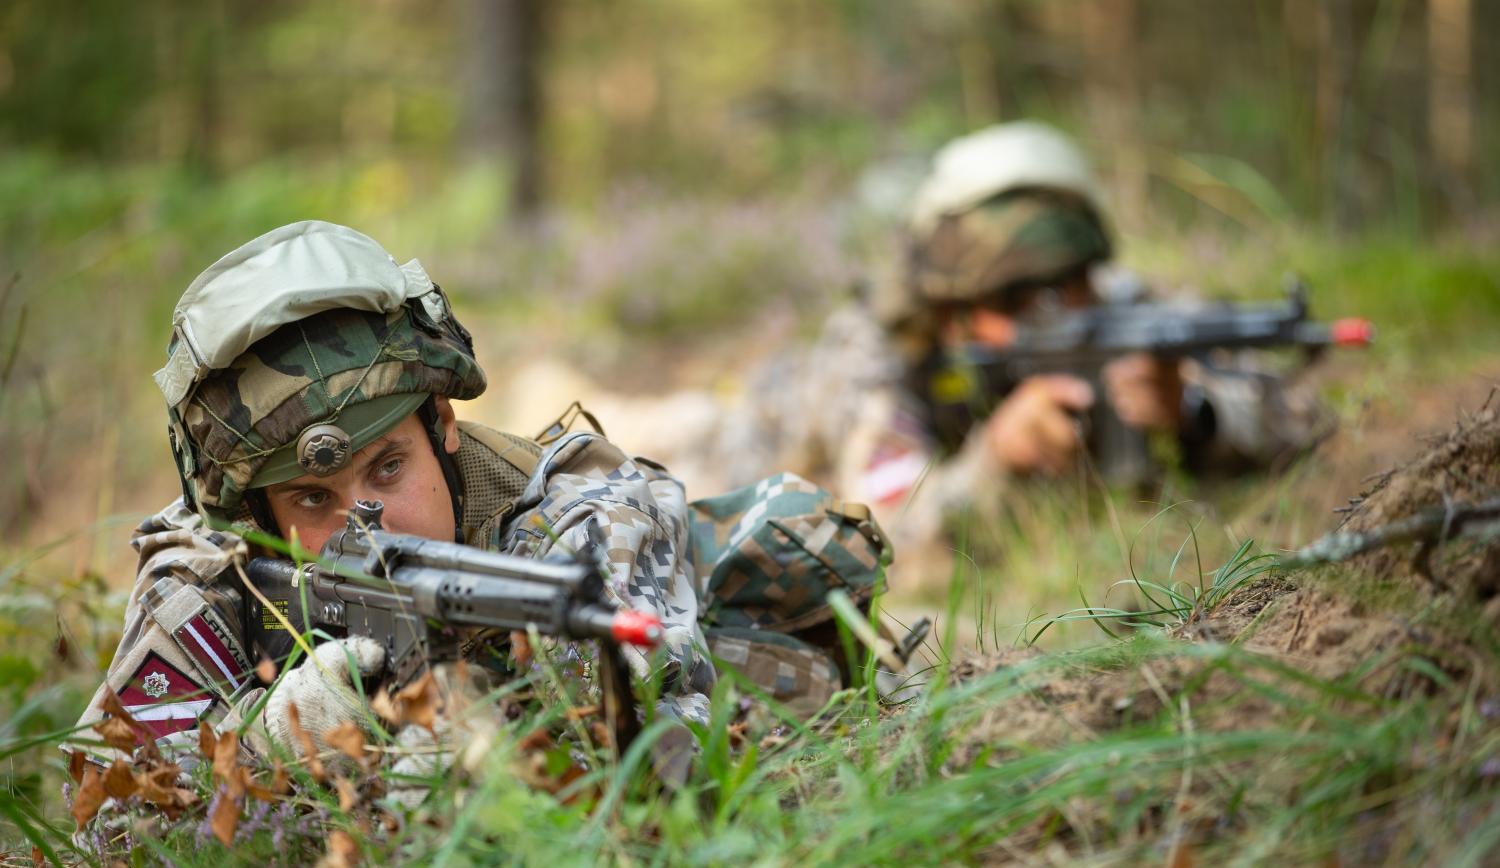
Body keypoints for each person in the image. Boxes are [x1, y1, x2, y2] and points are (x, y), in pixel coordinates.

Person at [68, 221, 894, 777]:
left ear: (443, 425)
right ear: (256, 510)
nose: (365, 520)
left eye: (388, 470)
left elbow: (668, 729)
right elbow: (99, 819)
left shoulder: (577, 510)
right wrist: (267, 743)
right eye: (313, 498)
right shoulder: (218, 575)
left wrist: (505, 747)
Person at [552, 122, 1324, 566]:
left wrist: (1192, 411)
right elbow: (876, 530)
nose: (1052, 315)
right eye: (1014, 301)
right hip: (747, 439)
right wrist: (993, 460)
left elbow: (1294, 409)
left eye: (1070, 284)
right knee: (638, 434)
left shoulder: (1130, 315)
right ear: (953, 310)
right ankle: (557, 384)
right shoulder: (883, 356)